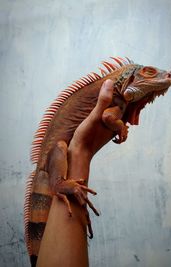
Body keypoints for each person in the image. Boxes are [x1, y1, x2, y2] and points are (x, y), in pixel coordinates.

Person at [36, 80, 115, 267]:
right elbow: (110, 119)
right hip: (55, 156)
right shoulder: (116, 96)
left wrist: (82, 151)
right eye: (148, 73)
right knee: (61, 148)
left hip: (65, 156)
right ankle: (59, 184)